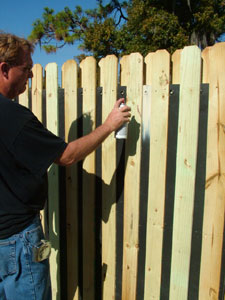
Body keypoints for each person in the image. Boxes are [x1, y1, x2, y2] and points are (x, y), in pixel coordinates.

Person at [0, 33, 131, 300]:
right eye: (26, 69)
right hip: (16, 240)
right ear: (4, 69)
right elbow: (67, 156)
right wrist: (110, 125)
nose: (32, 76)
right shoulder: (13, 117)